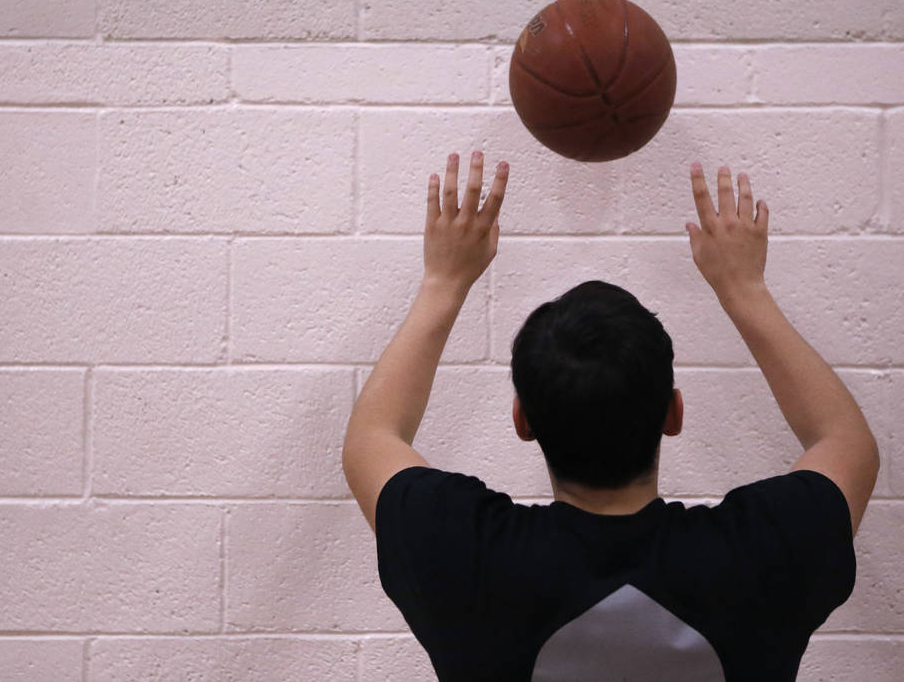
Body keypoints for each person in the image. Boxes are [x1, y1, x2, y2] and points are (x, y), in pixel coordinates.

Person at [341, 151, 880, 682]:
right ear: (674, 413)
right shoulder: (765, 555)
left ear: (522, 421)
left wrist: (444, 282)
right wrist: (745, 290)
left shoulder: (460, 555)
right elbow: (845, 441)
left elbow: (372, 436)